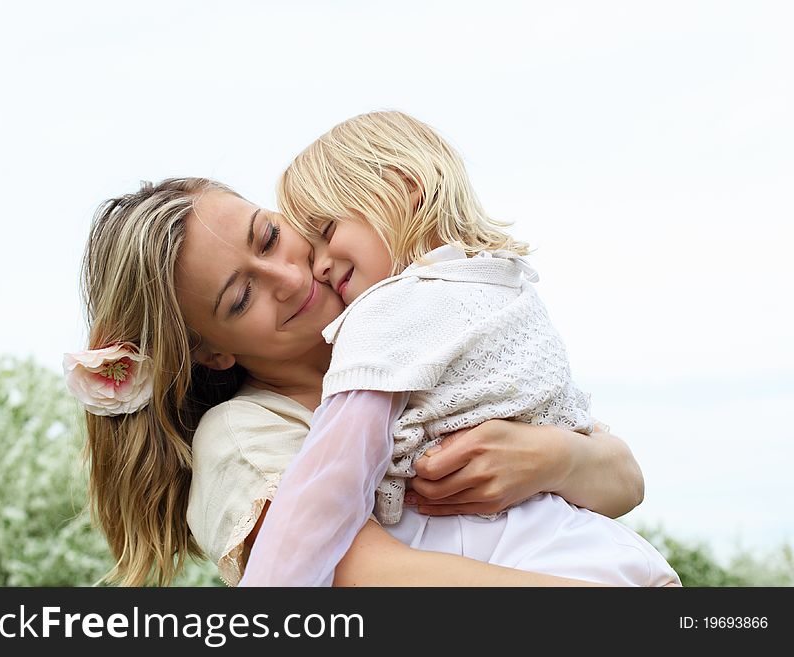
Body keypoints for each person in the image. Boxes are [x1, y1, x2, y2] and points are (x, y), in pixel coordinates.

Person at [66, 176, 650, 587]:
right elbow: (367, 579)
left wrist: (552, 460)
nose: (289, 276)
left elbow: (624, 481)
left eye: (269, 237)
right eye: (241, 297)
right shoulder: (245, 436)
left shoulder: (410, 324)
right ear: (210, 351)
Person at [237, 111, 681, 587]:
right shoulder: (502, 285)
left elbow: (330, 478)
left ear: (404, 186)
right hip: (592, 551)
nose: (320, 266)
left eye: (326, 231)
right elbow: (600, 455)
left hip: (524, 561)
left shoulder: (389, 310)